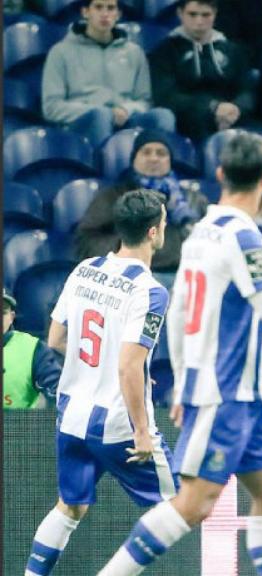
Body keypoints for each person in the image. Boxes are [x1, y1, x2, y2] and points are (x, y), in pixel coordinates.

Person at [97, 132, 262, 575]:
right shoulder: (243, 236)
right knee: (194, 505)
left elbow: (178, 309)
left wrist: (181, 378)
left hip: (245, 399)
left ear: (219, 175)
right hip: (226, 393)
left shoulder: (201, 231)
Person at [24, 190, 179, 576]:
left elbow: (57, 340)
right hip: (115, 422)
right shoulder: (151, 291)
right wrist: (142, 431)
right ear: (154, 231)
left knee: (70, 506)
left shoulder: (85, 269)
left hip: (71, 415)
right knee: (184, 504)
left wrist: (121, 367)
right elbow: (128, 366)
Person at [41, 0, 175, 146]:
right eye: (98, 7)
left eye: (110, 8)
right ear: (85, 12)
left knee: (163, 116)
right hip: (81, 123)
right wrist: (101, 111)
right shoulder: (60, 52)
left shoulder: (134, 52)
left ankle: (159, 165)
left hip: (125, 119)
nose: (105, 14)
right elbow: (51, 107)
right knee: (101, 116)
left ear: (118, 14)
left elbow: (145, 101)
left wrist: (125, 110)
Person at [75, 129, 207, 272]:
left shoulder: (192, 198)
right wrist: (130, 245)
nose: (154, 158)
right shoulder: (114, 196)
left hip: (186, 274)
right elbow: (86, 241)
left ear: (170, 161)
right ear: (134, 159)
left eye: (161, 153)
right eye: (146, 152)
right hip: (131, 274)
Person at [148, 0, 258, 143]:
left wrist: (236, 108)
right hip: (188, 119)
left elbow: (247, 89)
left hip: (232, 115)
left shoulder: (233, 50)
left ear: (215, 15)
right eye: (192, 15)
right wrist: (212, 107)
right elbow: (165, 96)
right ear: (180, 14)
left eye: (206, 15)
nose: (199, 21)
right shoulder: (165, 51)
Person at [3, 289, 61, 410]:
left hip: (17, 426)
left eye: (2, 312)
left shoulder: (34, 349)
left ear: (11, 317)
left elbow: (58, 394)